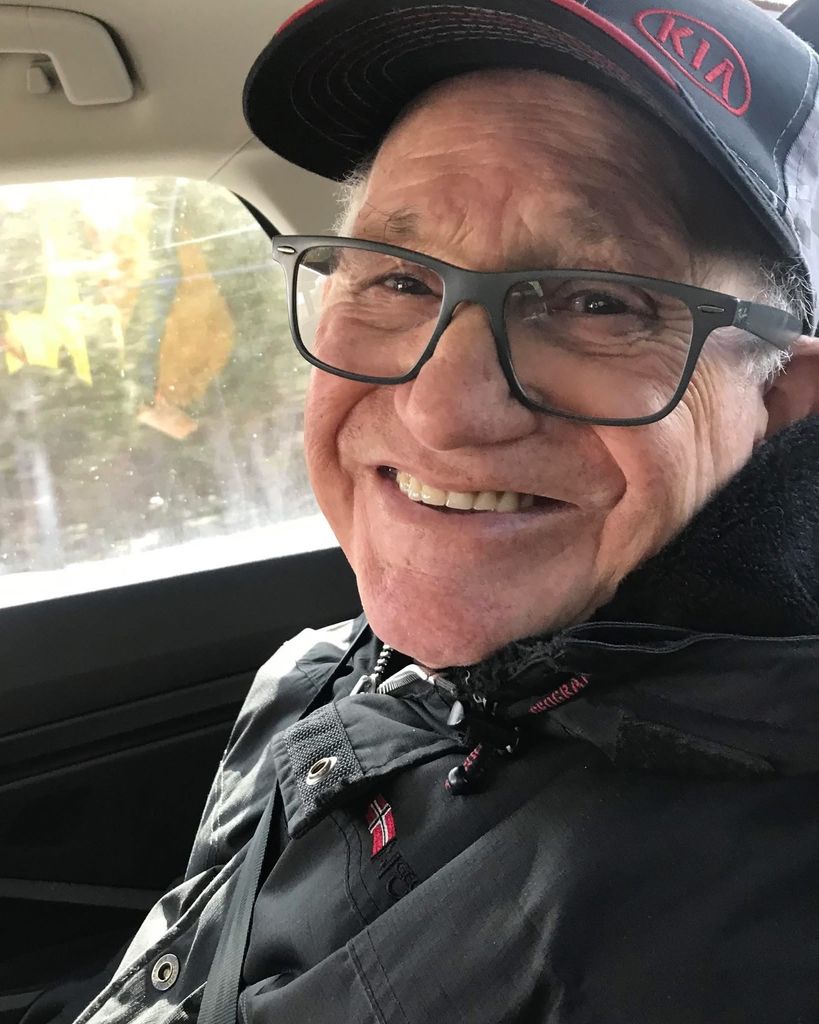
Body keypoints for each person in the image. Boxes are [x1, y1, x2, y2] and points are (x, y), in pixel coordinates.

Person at [58, 1, 819, 1022]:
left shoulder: (745, 935)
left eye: (598, 301)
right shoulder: (338, 662)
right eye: (401, 277)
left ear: (780, 406)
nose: (441, 410)